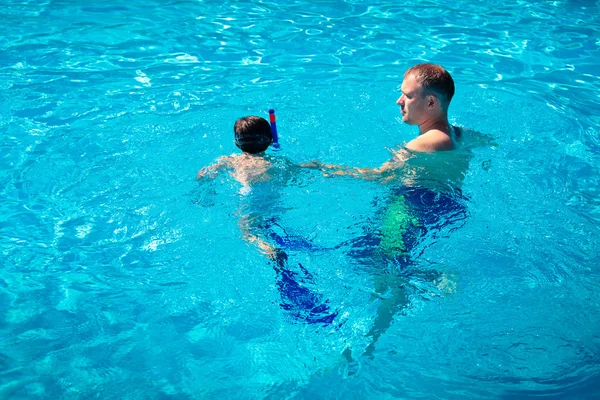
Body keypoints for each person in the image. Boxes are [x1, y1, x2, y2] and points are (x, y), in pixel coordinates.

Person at [197, 115, 337, 325]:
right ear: (271, 140)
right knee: (274, 225)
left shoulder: (231, 161)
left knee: (247, 232)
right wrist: (315, 165)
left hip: (250, 205)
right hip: (273, 205)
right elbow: (298, 174)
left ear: (237, 143)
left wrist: (204, 192)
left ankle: (270, 251)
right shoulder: (279, 162)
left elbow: (204, 175)